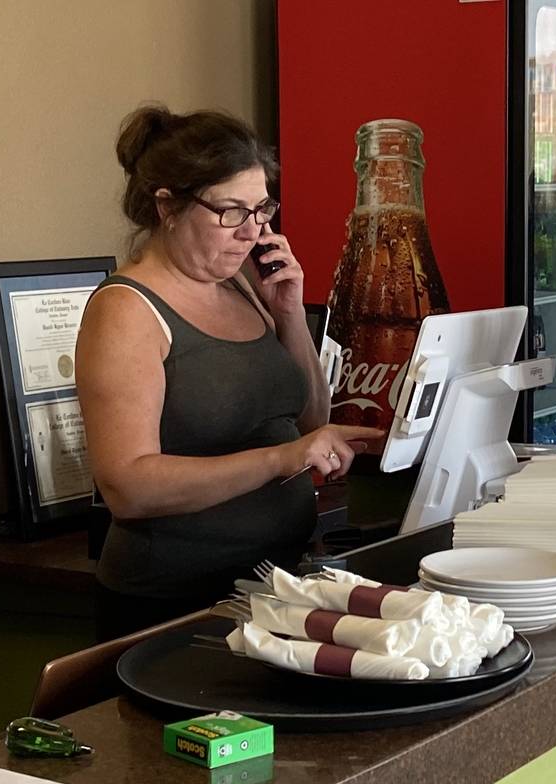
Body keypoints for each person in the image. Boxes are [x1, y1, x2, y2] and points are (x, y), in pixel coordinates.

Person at [75, 105, 383, 640]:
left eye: (262, 209)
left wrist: (289, 312)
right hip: (174, 602)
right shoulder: (126, 310)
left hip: (271, 581)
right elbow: (128, 485)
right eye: (231, 212)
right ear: (167, 206)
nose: (252, 232)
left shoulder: (241, 283)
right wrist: (278, 460)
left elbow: (310, 420)